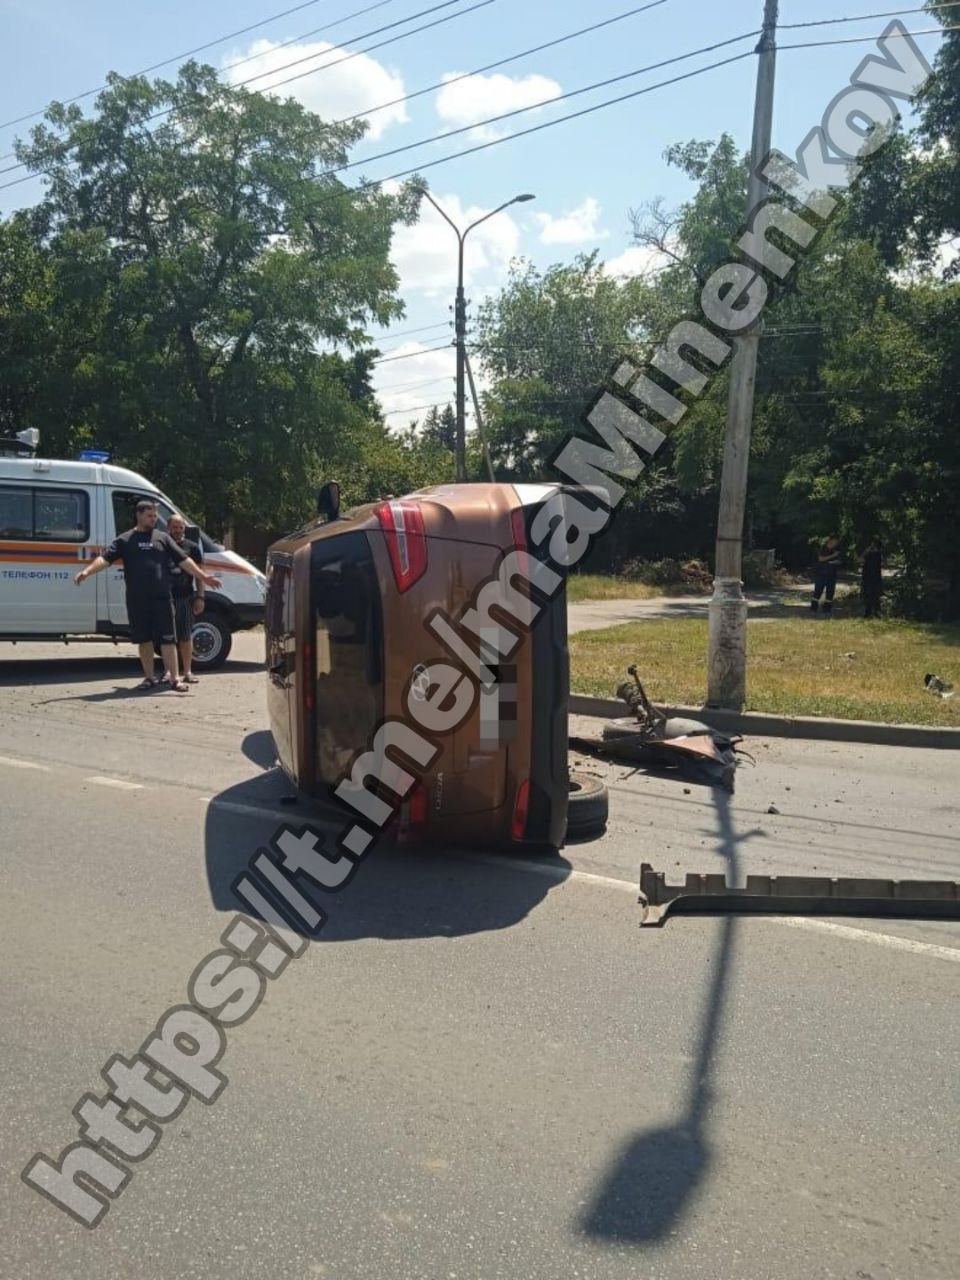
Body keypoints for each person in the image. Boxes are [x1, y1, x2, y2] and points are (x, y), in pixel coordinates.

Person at [74, 500, 221, 692]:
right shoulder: (125, 539)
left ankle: (175, 680)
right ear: (139, 515)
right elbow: (105, 559)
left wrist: (203, 577)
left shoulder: (163, 538)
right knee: (144, 640)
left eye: (155, 516)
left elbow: (184, 560)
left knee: (169, 639)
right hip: (137, 599)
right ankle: (149, 678)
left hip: (162, 598)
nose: (154, 520)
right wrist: (87, 572)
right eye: (150, 516)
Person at [167, 513, 205, 683]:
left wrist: (200, 597)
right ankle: (169, 672)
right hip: (165, 598)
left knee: (185, 636)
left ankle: (188, 672)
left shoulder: (193, 547)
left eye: (180, 527)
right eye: (174, 527)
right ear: (168, 528)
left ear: (184, 528)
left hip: (185, 597)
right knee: (167, 637)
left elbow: (200, 575)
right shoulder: (161, 546)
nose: (177, 530)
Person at [811, 533, 841, 617]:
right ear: (830, 541)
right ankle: (813, 608)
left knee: (830, 593)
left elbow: (839, 560)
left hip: (832, 574)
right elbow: (821, 559)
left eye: (837, 542)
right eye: (835, 541)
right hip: (821, 573)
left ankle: (827, 610)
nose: (836, 543)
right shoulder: (823, 548)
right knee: (818, 591)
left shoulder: (836, 550)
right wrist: (832, 556)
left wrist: (837, 561)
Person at [861, 536, 883, 619]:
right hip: (867, 576)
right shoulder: (868, 554)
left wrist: (868, 551)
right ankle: (869, 612)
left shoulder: (878, 554)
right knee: (868, 595)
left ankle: (876, 612)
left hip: (875, 577)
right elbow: (860, 560)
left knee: (875, 596)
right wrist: (866, 551)